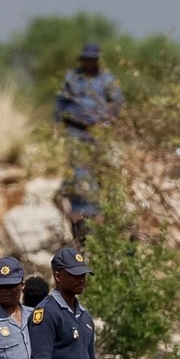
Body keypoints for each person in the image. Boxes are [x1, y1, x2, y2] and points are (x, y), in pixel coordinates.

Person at [55, 43, 124, 244]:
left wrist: (106, 122)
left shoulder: (107, 80)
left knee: (101, 170)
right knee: (77, 171)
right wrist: (59, 124)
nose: (88, 62)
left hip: (98, 132)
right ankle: (81, 213)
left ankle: (102, 213)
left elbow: (118, 103)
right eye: (85, 58)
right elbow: (61, 103)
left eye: (91, 59)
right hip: (75, 130)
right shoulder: (72, 78)